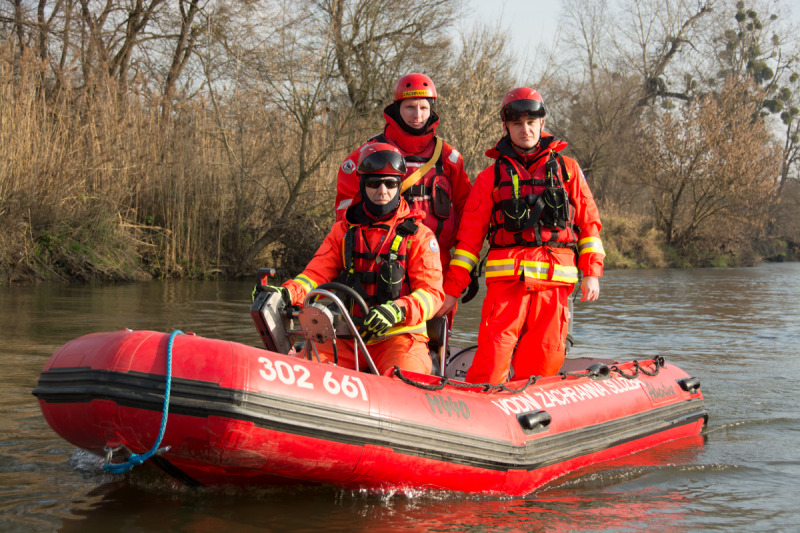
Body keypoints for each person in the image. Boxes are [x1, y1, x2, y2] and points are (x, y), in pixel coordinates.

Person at [437, 87, 605, 384]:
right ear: (507, 127)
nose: (524, 130)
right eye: (517, 124)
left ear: (543, 123)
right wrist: (452, 291)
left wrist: (591, 273)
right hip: (507, 288)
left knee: (544, 362)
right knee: (492, 360)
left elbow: (589, 225)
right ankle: (482, 410)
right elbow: (468, 243)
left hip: (555, 286)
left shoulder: (568, 170)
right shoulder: (490, 177)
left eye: (531, 123)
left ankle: (532, 420)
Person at [281, 143, 444, 375]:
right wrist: (286, 292)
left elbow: (432, 294)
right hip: (347, 336)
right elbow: (315, 275)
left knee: (404, 381)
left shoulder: (419, 236)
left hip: (400, 337)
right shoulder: (343, 232)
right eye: (374, 183)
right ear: (362, 185)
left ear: (399, 187)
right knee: (303, 372)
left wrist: (397, 310)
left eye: (390, 184)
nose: (382, 191)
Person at [334, 74, 472, 290]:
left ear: (432, 109)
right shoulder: (366, 154)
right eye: (409, 107)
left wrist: (464, 271)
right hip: (378, 263)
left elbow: (469, 215)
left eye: (423, 108)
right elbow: (344, 214)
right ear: (397, 107)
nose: (417, 114)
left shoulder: (449, 157)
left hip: (438, 263)